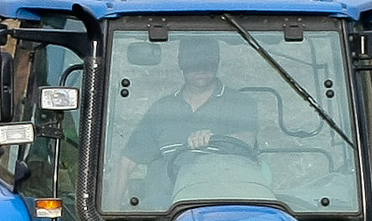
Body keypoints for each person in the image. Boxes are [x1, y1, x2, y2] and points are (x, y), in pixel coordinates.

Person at [108, 36, 263, 210]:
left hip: (224, 205)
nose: (201, 69)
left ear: (217, 62)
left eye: (207, 62)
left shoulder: (239, 103)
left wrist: (215, 138)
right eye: (193, 63)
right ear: (181, 63)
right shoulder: (162, 110)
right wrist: (112, 218)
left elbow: (246, 140)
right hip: (165, 213)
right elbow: (125, 164)